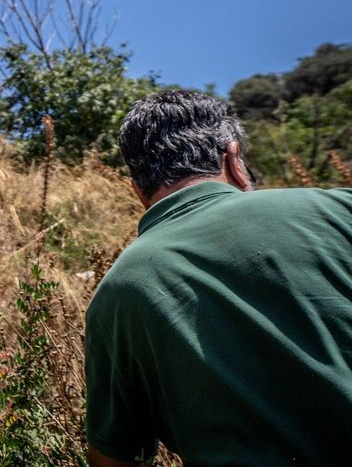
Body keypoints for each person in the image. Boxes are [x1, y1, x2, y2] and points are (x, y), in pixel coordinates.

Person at [85, 89, 352, 466]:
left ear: (138, 191)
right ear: (233, 157)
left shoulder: (115, 294)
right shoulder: (339, 210)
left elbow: (112, 458)